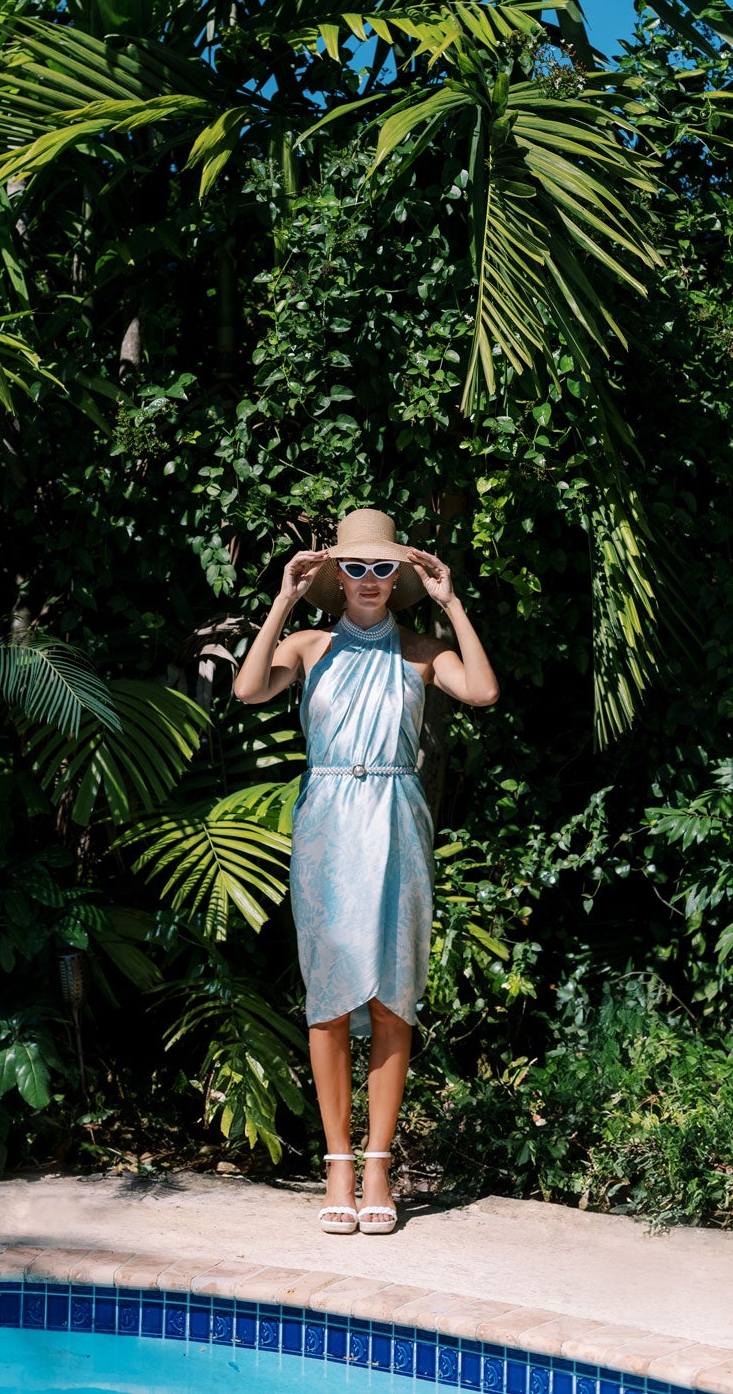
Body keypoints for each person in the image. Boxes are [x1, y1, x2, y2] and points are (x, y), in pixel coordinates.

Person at [233, 508, 498, 1234]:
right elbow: (248, 690)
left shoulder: (419, 649)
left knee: (391, 994)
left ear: (401, 577)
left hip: (395, 819)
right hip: (326, 823)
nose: (370, 580)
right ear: (335, 575)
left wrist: (451, 601)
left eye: (385, 567)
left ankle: (379, 1164)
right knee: (328, 996)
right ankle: (339, 1164)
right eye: (356, 566)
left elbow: (482, 690)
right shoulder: (309, 643)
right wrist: (283, 597)